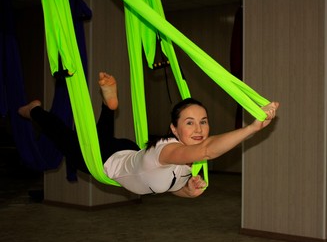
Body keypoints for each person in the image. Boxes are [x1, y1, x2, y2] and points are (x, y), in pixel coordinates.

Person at [18, 72, 279, 198]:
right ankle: (35, 110)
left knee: (99, 137)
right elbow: (208, 149)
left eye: (203, 121)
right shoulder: (169, 149)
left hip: (127, 151)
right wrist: (252, 128)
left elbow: (168, 187)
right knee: (64, 137)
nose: (199, 129)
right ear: (174, 129)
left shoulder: (188, 160)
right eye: (190, 123)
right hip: (105, 161)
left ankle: (109, 108)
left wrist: (189, 190)